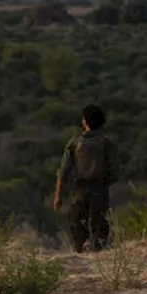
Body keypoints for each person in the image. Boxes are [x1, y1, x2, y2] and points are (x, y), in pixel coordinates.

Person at [53, 104, 120, 252]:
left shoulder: (75, 142)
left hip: (79, 190)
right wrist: (104, 183)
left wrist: (57, 196)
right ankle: (99, 256)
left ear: (84, 121)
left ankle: (79, 250)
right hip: (99, 189)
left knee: (75, 221)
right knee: (100, 227)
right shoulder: (107, 143)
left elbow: (63, 171)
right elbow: (115, 171)